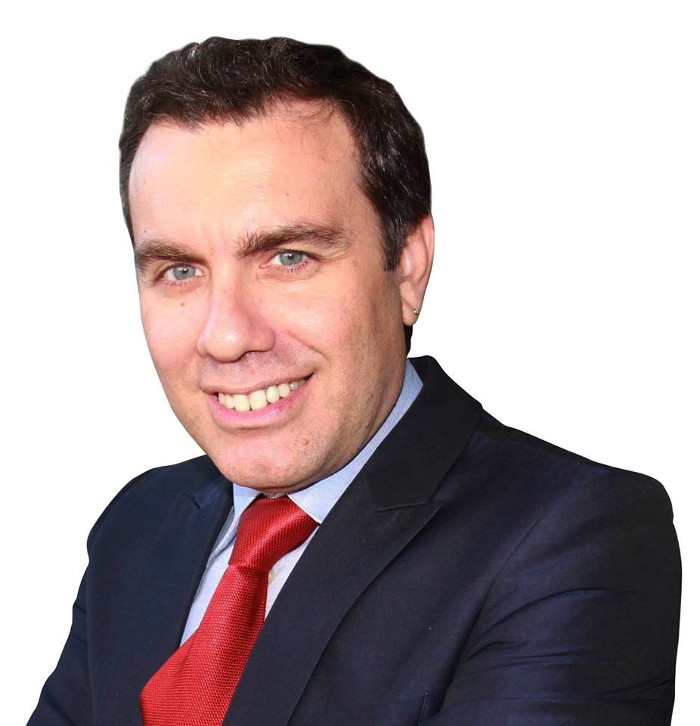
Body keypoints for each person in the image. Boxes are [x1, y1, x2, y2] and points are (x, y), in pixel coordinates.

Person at [28, 37, 681, 726]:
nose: (226, 335)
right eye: (180, 270)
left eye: (288, 257)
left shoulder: (572, 538)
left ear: (408, 267)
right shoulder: (138, 524)